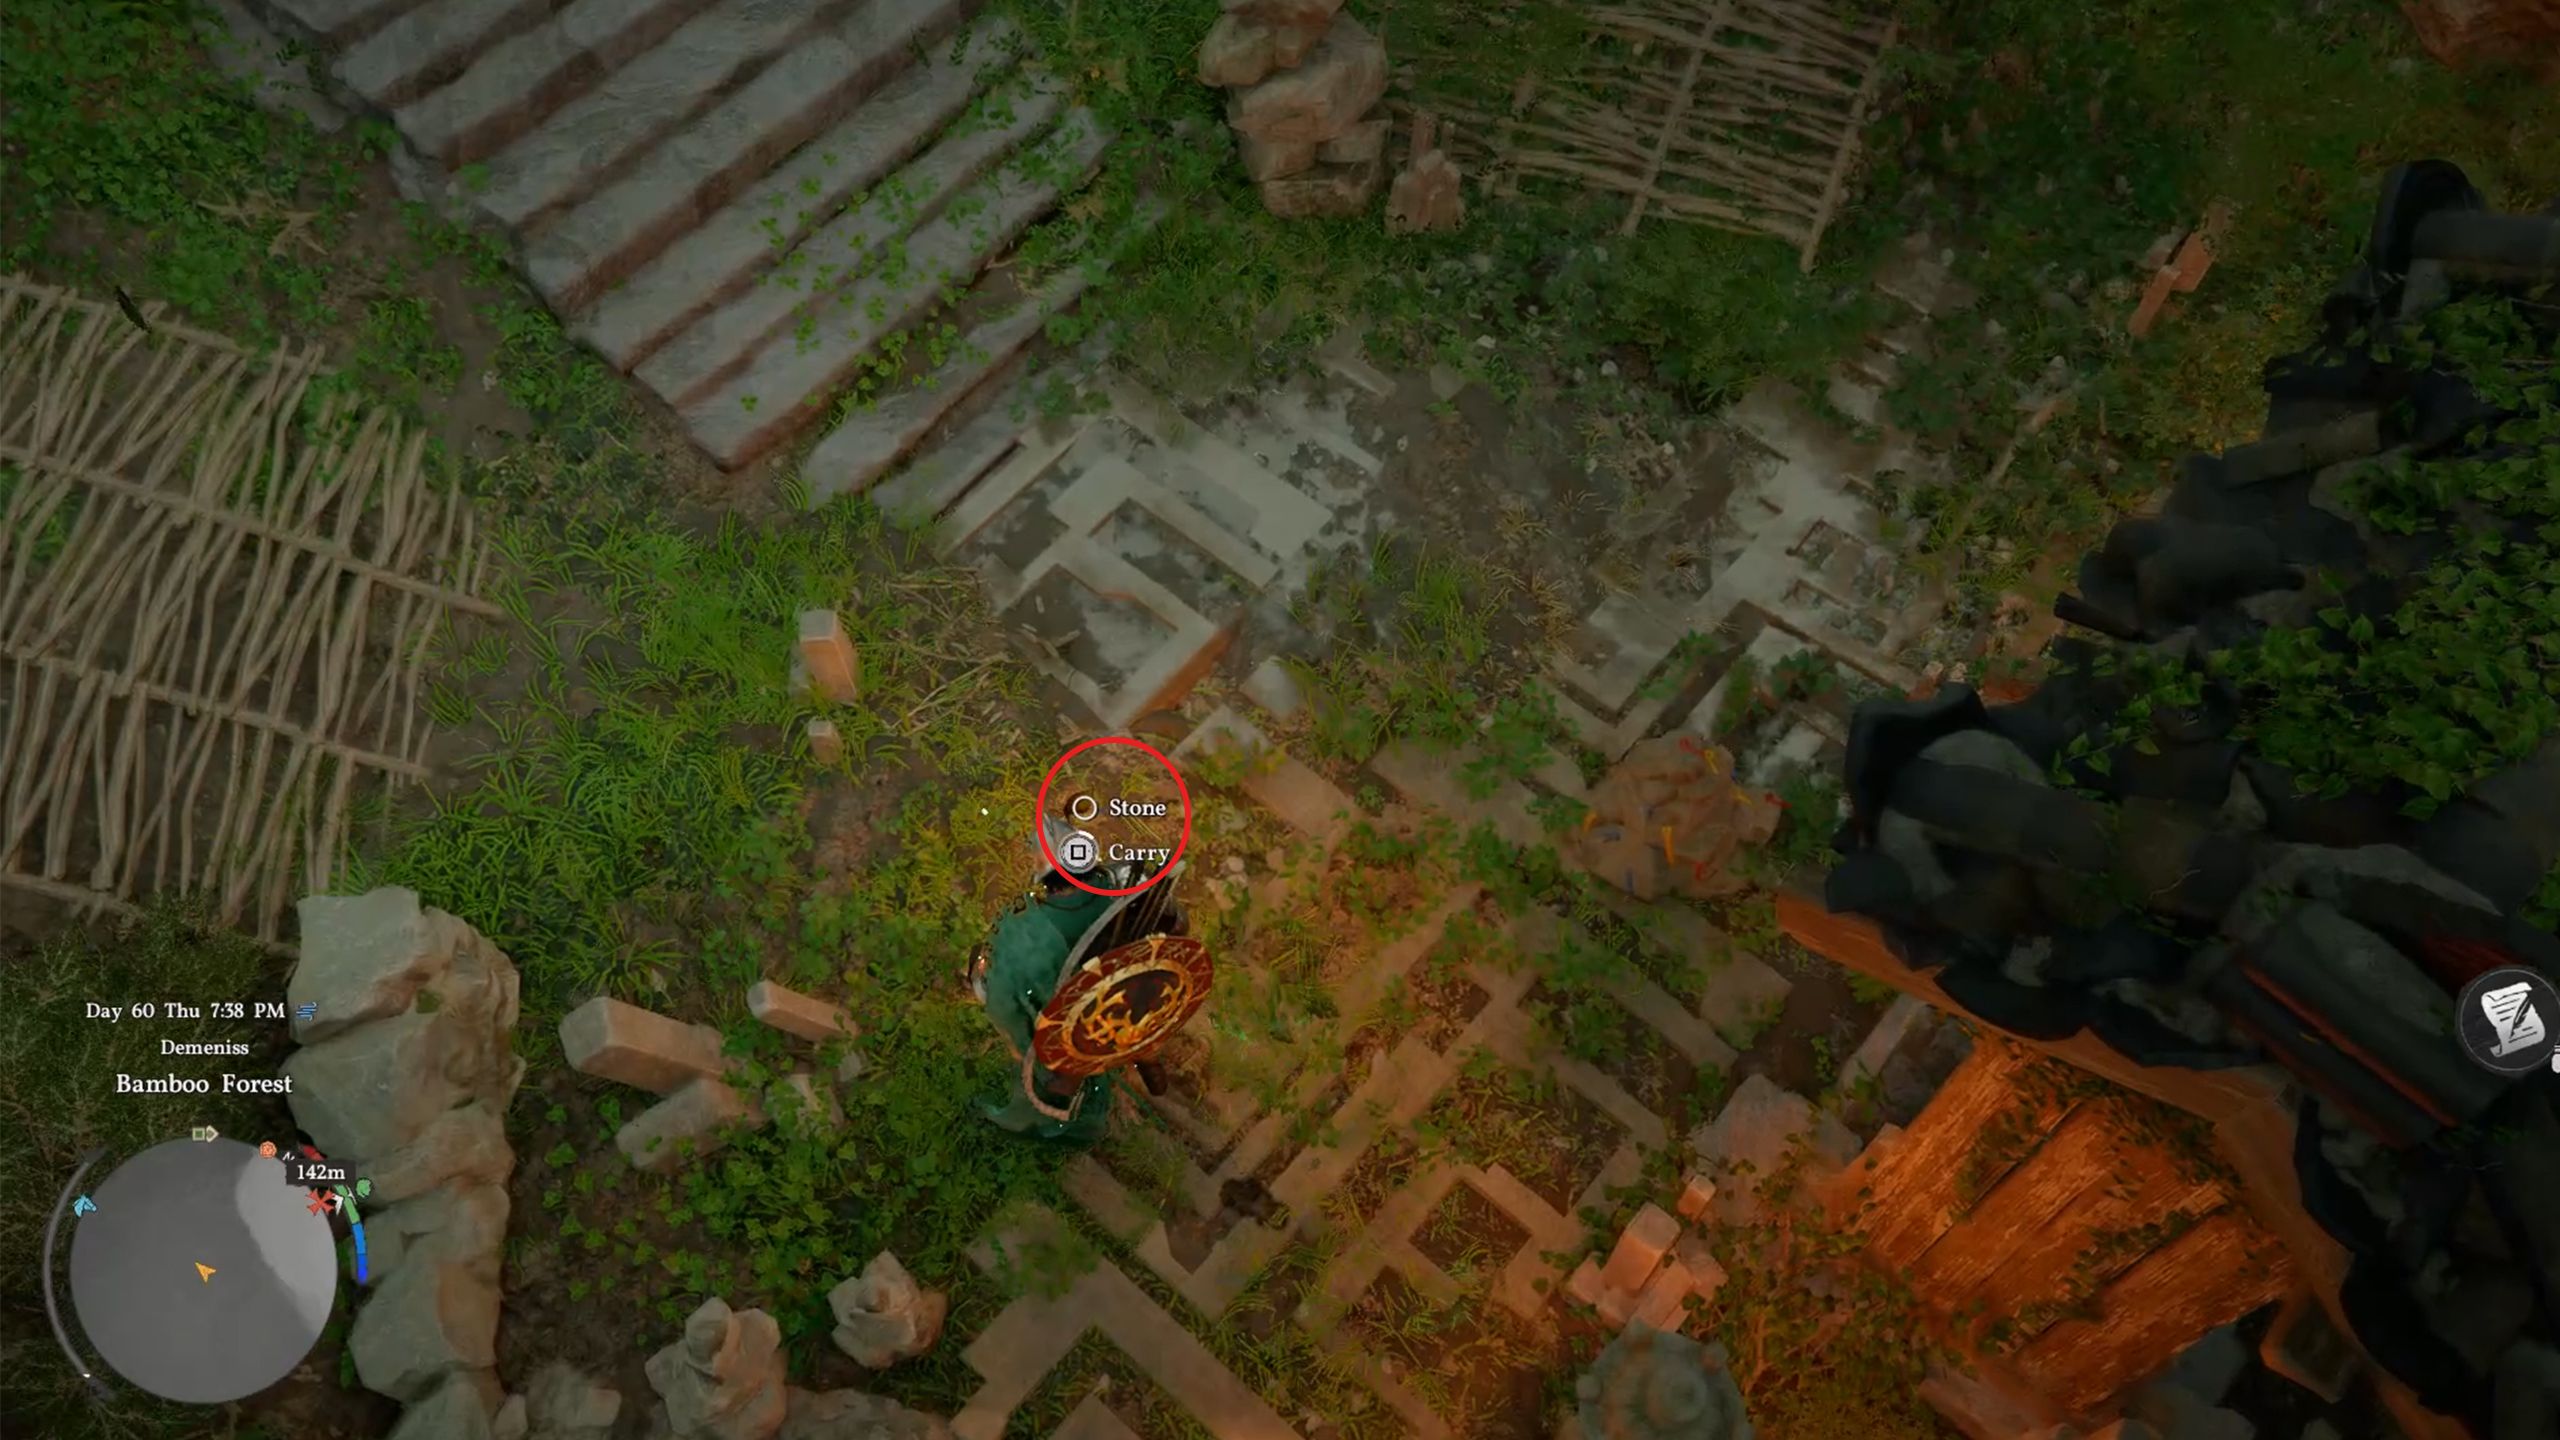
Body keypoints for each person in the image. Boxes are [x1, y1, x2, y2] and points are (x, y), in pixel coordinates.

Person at [968, 816, 1185, 1145]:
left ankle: (1051, 1120)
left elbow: (1003, 1005)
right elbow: (1177, 925)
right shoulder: (1123, 885)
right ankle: (1131, 1067)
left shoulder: (1027, 935)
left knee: (1051, 1064)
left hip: (1090, 1019)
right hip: (1138, 995)